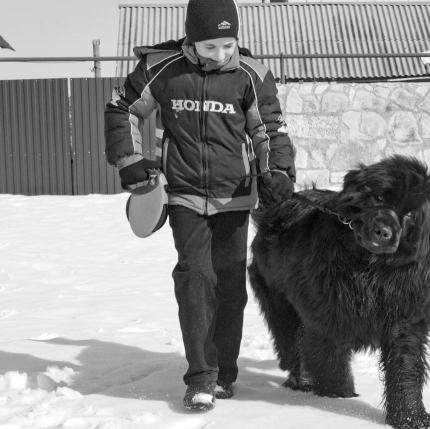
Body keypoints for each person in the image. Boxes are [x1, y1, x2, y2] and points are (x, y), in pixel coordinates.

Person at [104, 0, 295, 412]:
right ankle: (201, 377)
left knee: (228, 288)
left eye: (228, 44)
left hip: (235, 196)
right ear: (192, 39)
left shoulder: (251, 74)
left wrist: (277, 171)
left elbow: (269, 130)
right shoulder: (163, 68)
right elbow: (121, 108)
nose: (221, 54)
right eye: (211, 47)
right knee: (194, 279)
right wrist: (131, 159)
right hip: (183, 194)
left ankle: (224, 373)